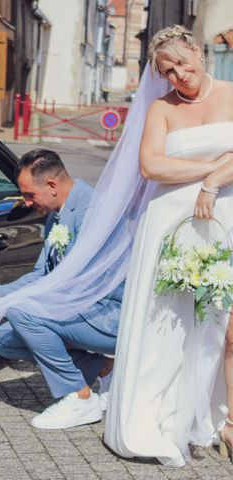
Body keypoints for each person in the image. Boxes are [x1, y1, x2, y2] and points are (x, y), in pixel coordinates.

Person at [104, 25, 233, 467]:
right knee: (167, 324)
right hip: (167, 223)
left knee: (218, 322)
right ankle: (153, 420)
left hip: (224, 216)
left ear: (198, 52)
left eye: (182, 62)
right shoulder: (161, 108)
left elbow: (172, 164)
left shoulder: (232, 94)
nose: (179, 74)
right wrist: (214, 164)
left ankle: (215, 418)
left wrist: (213, 181)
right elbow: (149, 165)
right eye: (168, 70)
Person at [0, 149, 122, 429]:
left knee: (22, 313)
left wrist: (1, 304)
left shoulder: (94, 212)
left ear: (52, 185)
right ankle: (104, 368)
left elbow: (71, 282)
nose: (26, 203)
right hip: (81, 309)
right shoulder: (56, 215)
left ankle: (79, 397)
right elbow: (41, 275)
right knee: (2, 337)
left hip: (111, 315)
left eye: (29, 195)